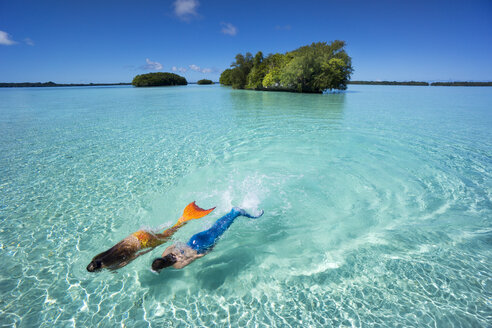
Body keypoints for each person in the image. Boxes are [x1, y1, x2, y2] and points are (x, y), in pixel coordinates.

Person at [87, 202, 215, 272]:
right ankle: (182, 218)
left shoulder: (113, 263)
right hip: (138, 235)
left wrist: (151, 249)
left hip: (145, 242)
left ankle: (186, 217)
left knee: (170, 233)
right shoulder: (105, 254)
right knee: (165, 232)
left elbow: (137, 255)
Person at [151, 207, 264, 271]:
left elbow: (194, 257)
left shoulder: (177, 265)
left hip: (201, 246)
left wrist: (208, 251)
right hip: (193, 240)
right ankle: (232, 213)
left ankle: (236, 213)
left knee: (220, 230)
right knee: (213, 229)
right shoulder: (165, 253)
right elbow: (174, 244)